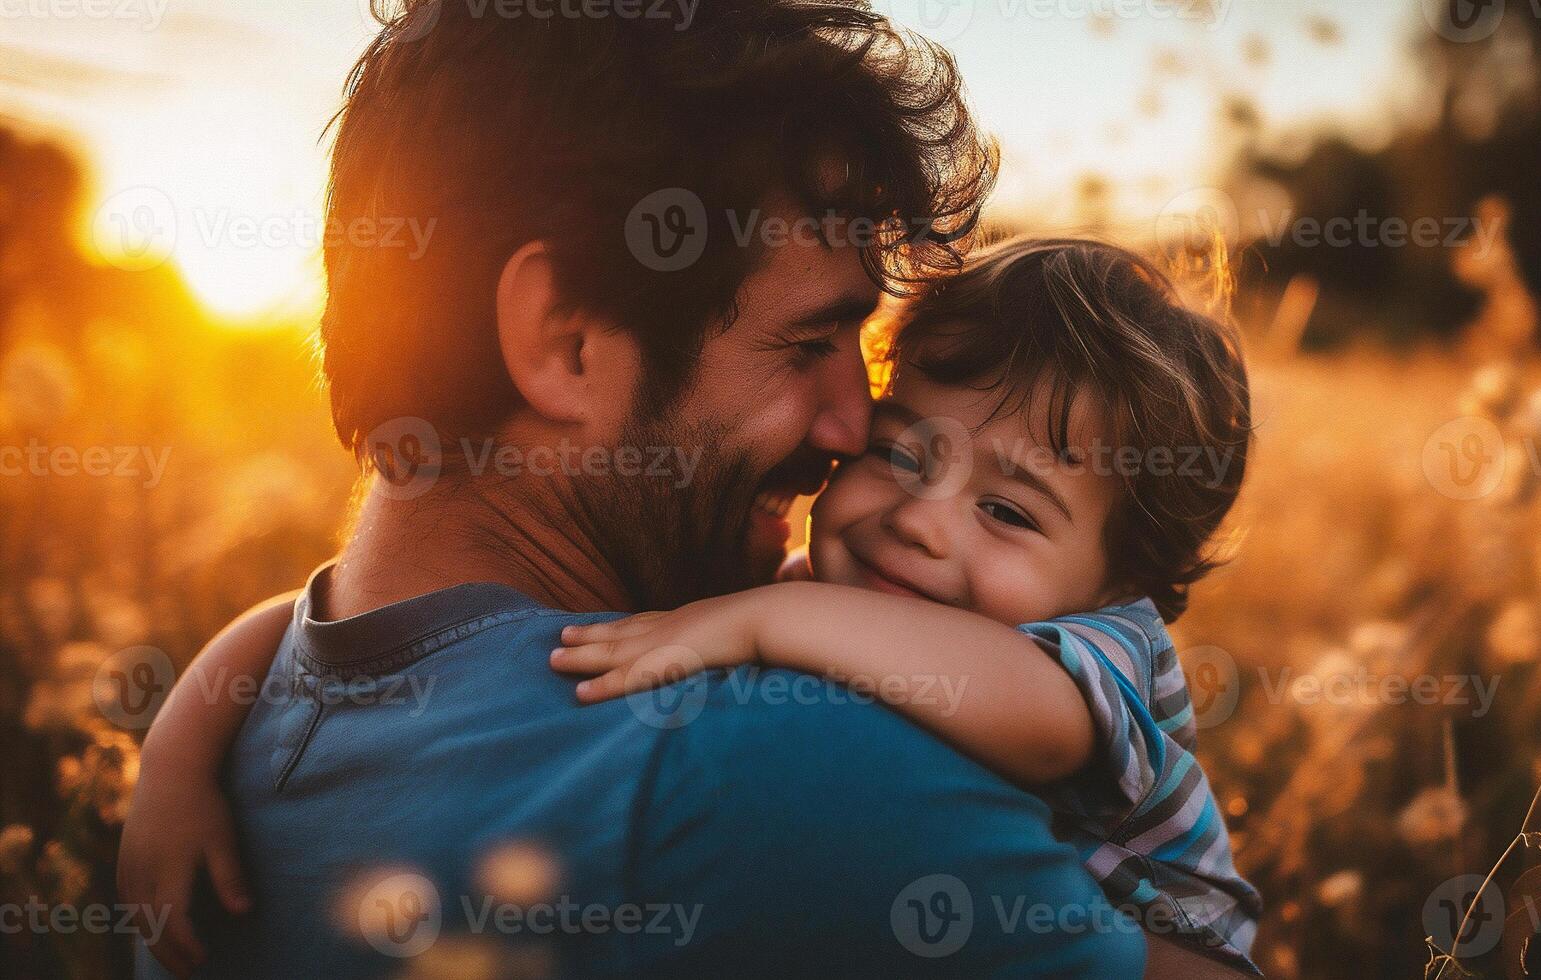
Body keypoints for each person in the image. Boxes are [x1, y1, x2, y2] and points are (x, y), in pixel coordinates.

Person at [117, 2, 1247, 976]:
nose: (856, 426)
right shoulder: (774, 764)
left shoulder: (265, 729)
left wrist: (186, 725)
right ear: (565, 341)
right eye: (808, 341)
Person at [549, 237, 1262, 972]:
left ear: (1121, 582)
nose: (919, 519)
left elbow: (1039, 720)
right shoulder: (804, 594)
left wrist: (762, 622)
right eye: (897, 455)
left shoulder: (1109, 649)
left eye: (1007, 513)